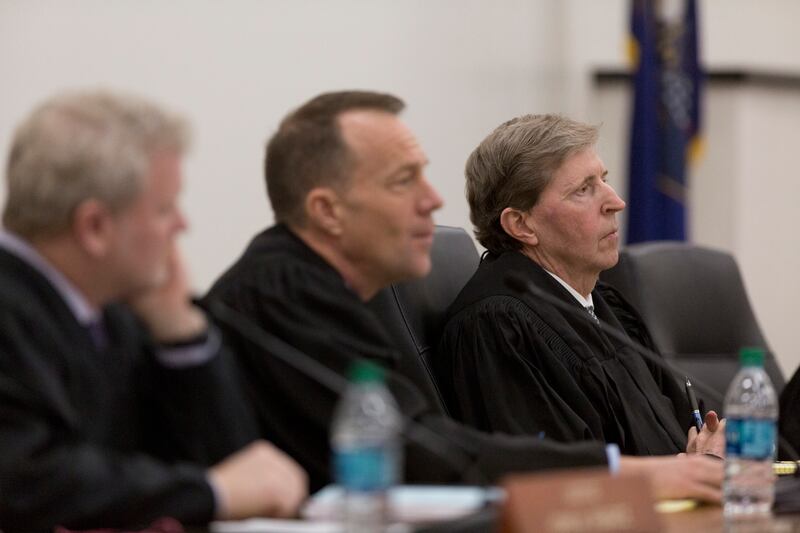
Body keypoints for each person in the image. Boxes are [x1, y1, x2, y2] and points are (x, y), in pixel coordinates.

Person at [206, 90, 723, 503]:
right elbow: (418, 449)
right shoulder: (286, 292)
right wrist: (629, 476)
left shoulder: (329, 294)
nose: (433, 200)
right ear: (327, 211)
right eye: (404, 181)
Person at [0, 90, 307, 532]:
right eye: (165, 209)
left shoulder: (112, 314)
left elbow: (229, 464)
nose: (182, 226)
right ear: (95, 227)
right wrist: (210, 491)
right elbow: (27, 481)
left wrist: (180, 333)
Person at [434, 113, 722, 458]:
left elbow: (686, 429)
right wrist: (698, 467)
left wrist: (712, 443)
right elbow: (562, 484)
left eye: (604, 180)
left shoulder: (604, 304)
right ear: (521, 224)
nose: (616, 202)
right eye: (583, 190)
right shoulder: (498, 327)